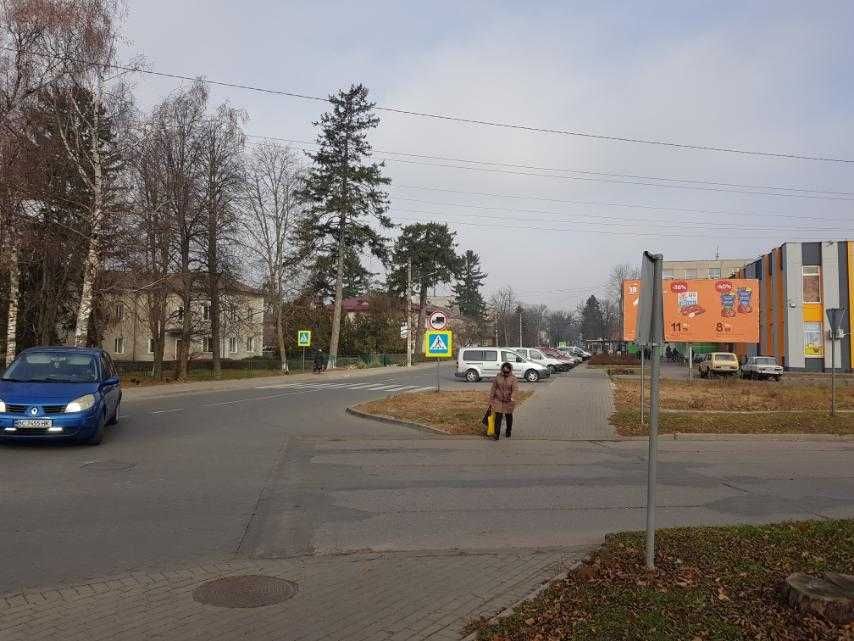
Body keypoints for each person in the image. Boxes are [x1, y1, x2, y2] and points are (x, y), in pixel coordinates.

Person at [488, 362, 519, 440]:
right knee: (498, 417)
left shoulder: (513, 378)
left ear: (510, 370)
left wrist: (512, 396)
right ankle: (496, 434)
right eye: (504, 371)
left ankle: (508, 431)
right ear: (502, 369)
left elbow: (515, 389)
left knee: (508, 416)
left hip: (509, 401)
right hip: (498, 400)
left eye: (507, 371)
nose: (505, 373)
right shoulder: (498, 377)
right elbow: (493, 388)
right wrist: (491, 399)